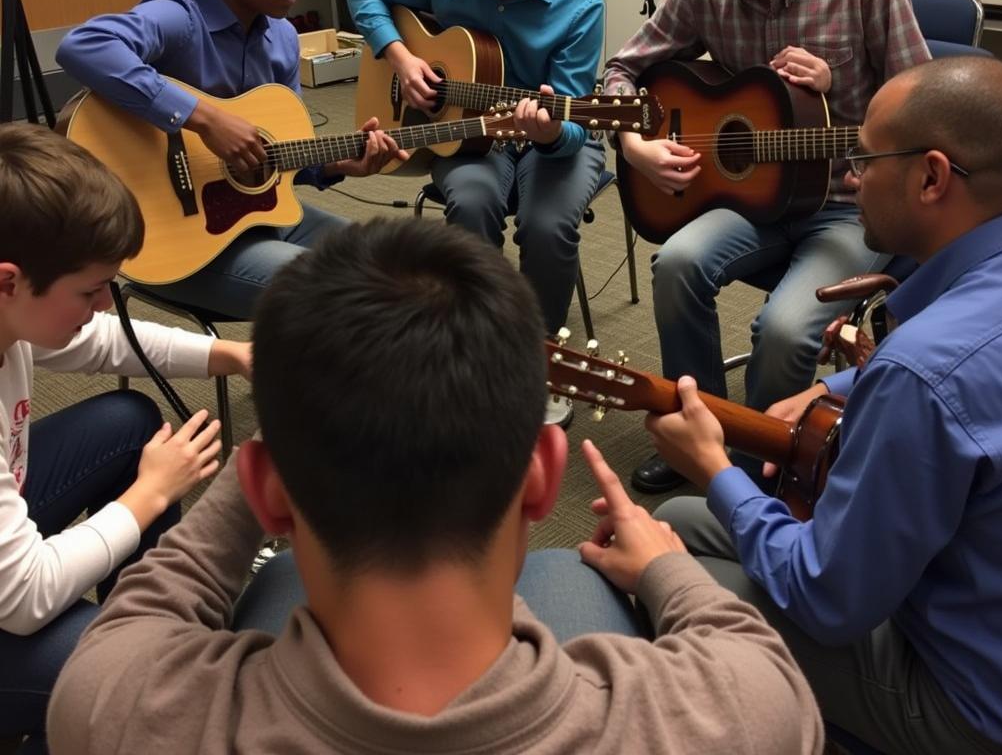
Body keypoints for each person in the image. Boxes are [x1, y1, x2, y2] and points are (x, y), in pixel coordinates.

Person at [47, 218, 824, 755]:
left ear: (265, 491)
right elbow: (749, 649)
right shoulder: (729, 715)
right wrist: (664, 565)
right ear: (542, 478)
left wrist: (284, 436)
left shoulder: (115, 705)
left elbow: (146, 609)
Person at [649, 56, 1002, 754]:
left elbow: (826, 598)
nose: (850, 177)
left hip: (974, 706)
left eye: (864, 158)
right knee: (674, 521)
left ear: (932, 176)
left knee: (662, 567)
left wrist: (712, 466)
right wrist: (834, 386)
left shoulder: (924, 371)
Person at [604, 0, 930, 493]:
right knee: (677, 266)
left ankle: (756, 471)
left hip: (846, 205)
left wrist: (840, 91)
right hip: (748, 199)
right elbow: (621, 73)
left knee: (782, 330)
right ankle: (696, 428)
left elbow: (928, 116)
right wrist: (633, 143)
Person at [56, 0, 405, 320]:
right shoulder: (178, 19)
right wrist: (204, 118)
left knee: (398, 267)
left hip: (254, 218)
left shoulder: (280, 38)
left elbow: (272, 163)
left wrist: (342, 164)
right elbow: (83, 45)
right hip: (176, 240)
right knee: (332, 292)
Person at [0, 122, 251, 749]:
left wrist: (237, 355)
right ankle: (116, 690)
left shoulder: (13, 312)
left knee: (130, 423)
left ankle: (139, 623)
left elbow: (104, 342)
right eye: (91, 290)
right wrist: (147, 496)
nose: (107, 303)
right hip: (11, 594)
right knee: (132, 678)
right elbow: (24, 597)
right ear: (7, 280)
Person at [347, 0, 606, 346]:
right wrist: (400, 56)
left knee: (548, 228)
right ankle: (477, 349)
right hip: (467, 135)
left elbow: (574, 124)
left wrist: (549, 131)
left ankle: (541, 360)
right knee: (470, 203)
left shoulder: (582, 4)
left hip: (553, 141)